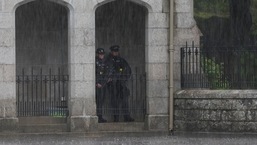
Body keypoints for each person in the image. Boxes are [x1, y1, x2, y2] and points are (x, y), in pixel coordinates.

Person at [105, 45, 134, 122]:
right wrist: (110, 78)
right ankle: (116, 118)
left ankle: (126, 116)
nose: (116, 53)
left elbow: (128, 70)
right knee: (115, 101)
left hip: (121, 83)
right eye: (114, 51)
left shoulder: (121, 60)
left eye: (117, 51)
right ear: (111, 52)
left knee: (125, 100)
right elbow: (106, 72)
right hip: (113, 84)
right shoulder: (108, 60)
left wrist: (123, 79)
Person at [95, 48, 108, 123]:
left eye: (102, 54)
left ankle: (100, 116)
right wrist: (97, 83)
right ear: (97, 54)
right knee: (98, 101)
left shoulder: (104, 62)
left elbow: (106, 72)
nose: (101, 55)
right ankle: (98, 116)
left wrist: (104, 82)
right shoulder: (95, 62)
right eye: (100, 54)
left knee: (101, 101)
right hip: (97, 85)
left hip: (103, 84)